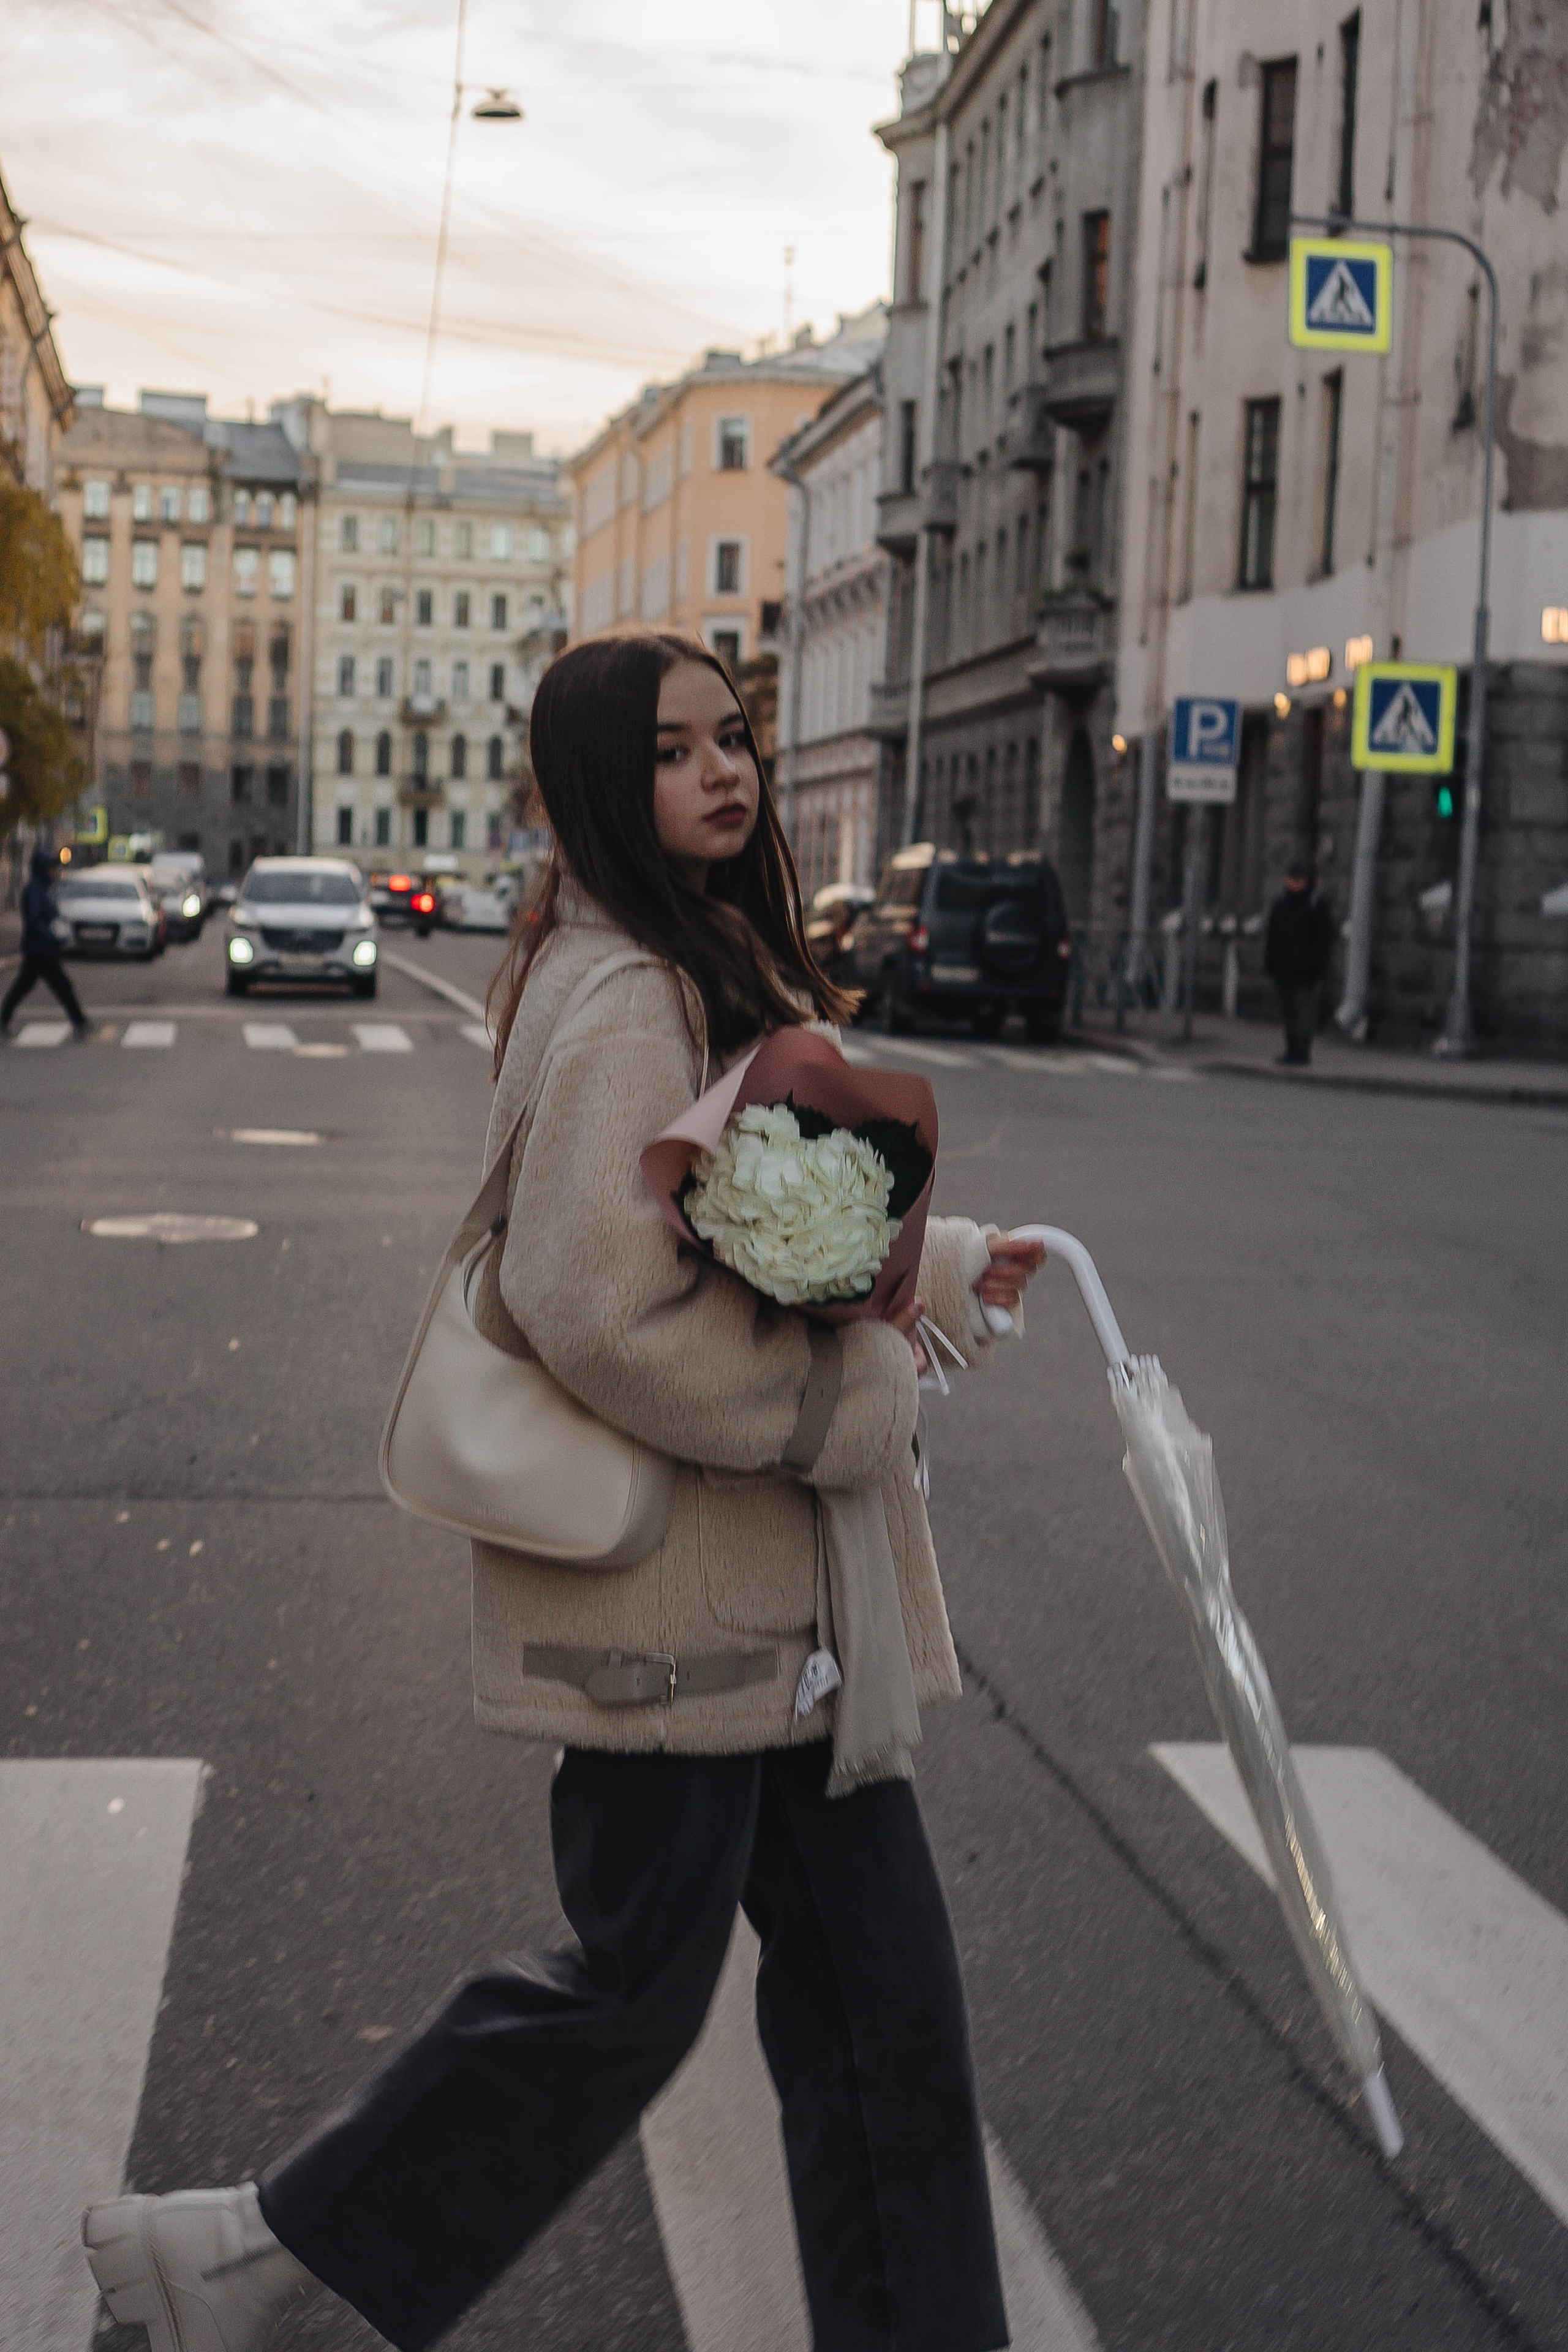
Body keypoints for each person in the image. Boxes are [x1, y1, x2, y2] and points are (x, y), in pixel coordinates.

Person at [83, 633, 1046, 2352]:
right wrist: (839, 1407)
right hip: (684, 1616)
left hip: (769, 1624)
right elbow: (596, 1302)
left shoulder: (693, 961)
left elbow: (755, 1220)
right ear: (605, 781)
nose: (726, 772)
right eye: (675, 751)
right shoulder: (626, 998)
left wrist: (947, 1262)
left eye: (733, 739)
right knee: (637, 1992)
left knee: (879, 2015)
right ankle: (244, 2256)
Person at [1, 845, 91, 1039]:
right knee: (61, 986)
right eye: (51, 867)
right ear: (42, 868)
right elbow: (34, 918)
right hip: (40, 949)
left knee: (24, 985)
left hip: (41, 948)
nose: (54, 871)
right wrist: (51, 934)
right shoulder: (35, 889)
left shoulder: (42, 888)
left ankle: (4, 1018)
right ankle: (80, 1021)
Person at [1264, 857, 1335, 1066]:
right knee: (1288, 1013)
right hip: (1283, 970)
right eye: (1292, 880)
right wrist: (1270, 964)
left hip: (1305, 972)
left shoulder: (1316, 905)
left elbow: (1324, 940)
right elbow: (1273, 937)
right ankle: (1291, 1049)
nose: (1295, 885)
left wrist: (1318, 968)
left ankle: (1302, 1052)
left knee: (1303, 1012)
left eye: (1299, 880)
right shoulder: (1281, 904)